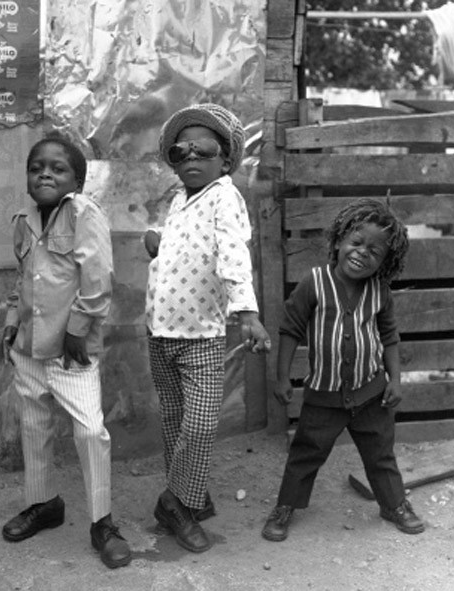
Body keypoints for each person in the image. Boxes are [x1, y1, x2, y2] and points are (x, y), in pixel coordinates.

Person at [144, 103, 271, 553]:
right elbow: (179, 254)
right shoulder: (179, 201)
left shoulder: (225, 196)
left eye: (205, 149)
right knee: (176, 421)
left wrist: (247, 313)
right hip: (160, 333)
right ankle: (189, 500)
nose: (192, 158)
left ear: (226, 159)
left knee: (199, 425)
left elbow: (232, 253)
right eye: (182, 152)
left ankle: (173, 503)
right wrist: (155, 244)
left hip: (200, 335)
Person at [1, 132, 132, 569]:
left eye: (57, 169)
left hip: (70, 352)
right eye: (37, 167)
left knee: (90, 432)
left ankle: (102, 522)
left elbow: (98, 279)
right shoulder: (23, 218)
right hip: (29, 350)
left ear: (76, 179)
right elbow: (22, 279)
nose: (45, 174)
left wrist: (76, 329)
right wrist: (11, 323)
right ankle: (44, 504)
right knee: (34, 426)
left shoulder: (83, 214)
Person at [262, 198, 425, 542]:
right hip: (324, 395)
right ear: (338, 241)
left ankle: (394, 504)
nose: (362, 253)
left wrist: (394, 380)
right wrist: (282, 378)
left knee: (381, 454)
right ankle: (286, 506)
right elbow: (290, 329)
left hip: (371, 393)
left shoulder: (379, 291)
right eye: (356, 242)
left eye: (375, 251)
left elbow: (389, 336)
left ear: (385, 262)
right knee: (306, 453)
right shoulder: (314, 283)